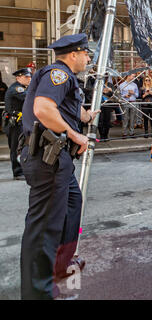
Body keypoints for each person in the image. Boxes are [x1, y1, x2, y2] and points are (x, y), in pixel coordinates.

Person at [20, 33, 99, 300]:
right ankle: (38, 293)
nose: (88, 59)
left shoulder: (66, 79)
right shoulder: (59, 74)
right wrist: (76, 135)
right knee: (44, 227)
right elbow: (43, 109)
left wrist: (87, 116)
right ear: (74, 54)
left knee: (71, 208)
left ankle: (59, 267)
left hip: (58, 159)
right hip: (48, 157)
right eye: (86, 54)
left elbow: (68, 108)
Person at [4, 68, 32, 180]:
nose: (29, 79)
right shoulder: (17, 89)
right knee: (15, 147)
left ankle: (22, 169)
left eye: (30, 77)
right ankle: (17, 172)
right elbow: (29, 98)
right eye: (26, 77)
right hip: (14, 123)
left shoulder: (23, 88)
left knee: (22, 146)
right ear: (18, 78)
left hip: (19, 122)